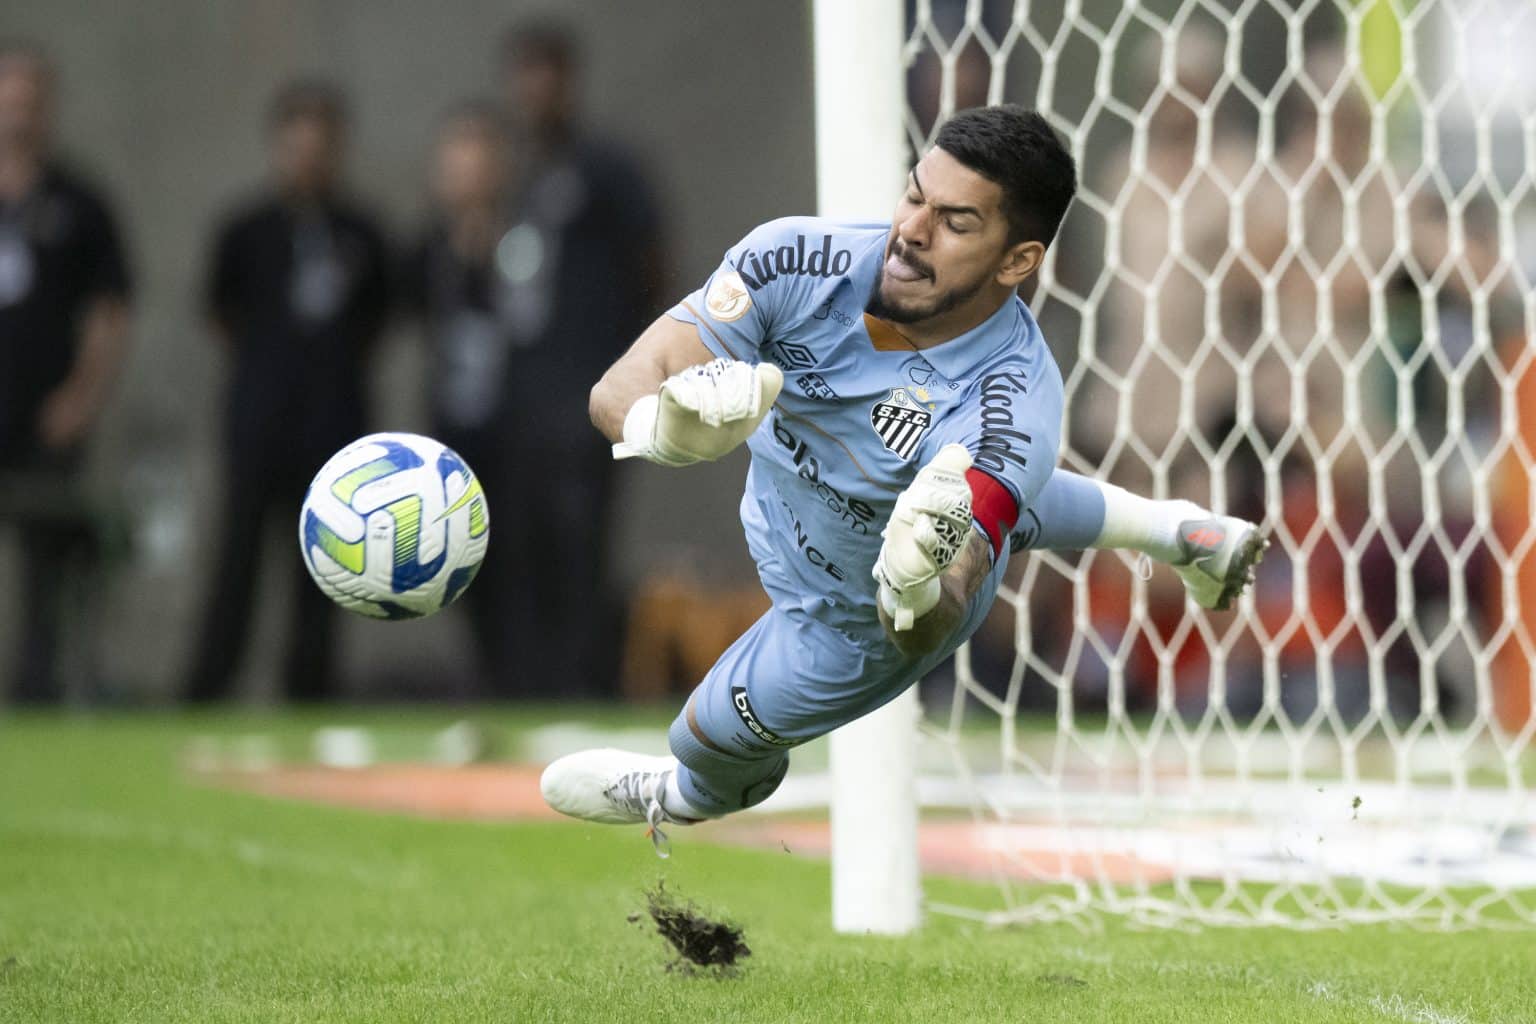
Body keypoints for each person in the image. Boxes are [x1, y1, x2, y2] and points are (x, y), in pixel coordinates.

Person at [539, 106, 1264, 850]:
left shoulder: (1011, 405)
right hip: (808, 513)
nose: (913, 230)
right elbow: (616, 389)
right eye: (914, 194)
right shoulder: (795, 258)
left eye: (955, 222)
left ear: (1017, 261)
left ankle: (683, 793)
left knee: (705, 737)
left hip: (847, 622)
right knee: (992, 489)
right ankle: (1177, 529)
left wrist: (914, 586)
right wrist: (665, 428)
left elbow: (936, 619)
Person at [183, 81, 390, 703]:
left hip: (334, 431)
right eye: (296, 144)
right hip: (259, 423)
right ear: (278, 147)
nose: (308, 158)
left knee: (326, 569)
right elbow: (219, 312)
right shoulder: (246, 230)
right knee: (239, 559)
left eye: (320, 145)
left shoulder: (362, 232)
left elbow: (378, 320)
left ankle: (309, 690)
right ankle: (207, 688)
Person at [488, 20, 665, 698]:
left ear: (569, 80)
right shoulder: (517, 175)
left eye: (547, 72)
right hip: (522, 398)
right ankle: (522, 685)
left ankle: (583, 684)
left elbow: (652, 264)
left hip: (588, 394)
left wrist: (628, 364)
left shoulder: (607, 168)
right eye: (523, 73)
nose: (534, 89)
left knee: (580, 544)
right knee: (520, 548)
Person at [0, 42, 132, 704]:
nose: (20, 115)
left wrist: (82, 396)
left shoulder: (79, 201)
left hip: (46, 411)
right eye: (10, 100)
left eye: (32, 102)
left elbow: (110, 310)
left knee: (49, 555)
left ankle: (37, 688)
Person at [402, 101, 520, 693]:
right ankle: (489, 677)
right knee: (463, 556)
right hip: (454, 428)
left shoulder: (525, 243)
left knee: (525, 559)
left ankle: (536, 677)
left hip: (522, 432)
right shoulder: (428, 251)